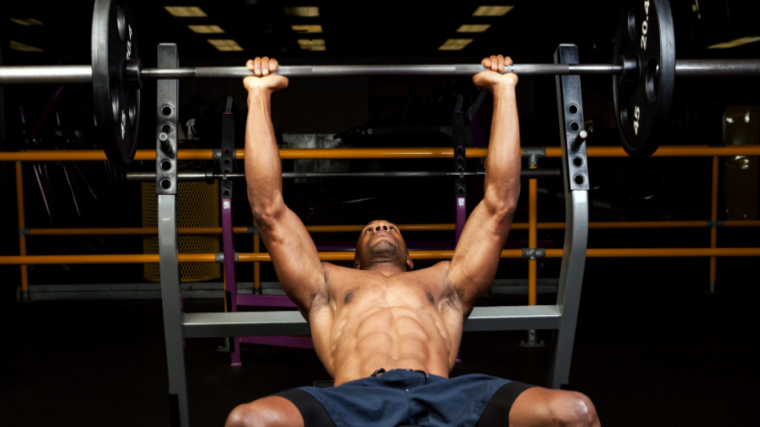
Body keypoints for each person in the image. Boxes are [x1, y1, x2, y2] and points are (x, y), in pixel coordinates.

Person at [227, 55, 600, 427]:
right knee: (247, 421)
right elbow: (269, 211)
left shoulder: (444, 281)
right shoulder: (326, 283)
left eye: (389, 227)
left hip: (445, 395)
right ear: (355, 260)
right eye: (370, 229)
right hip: (354, 399)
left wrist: (504, 90)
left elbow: (499, 206)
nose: (380, 228)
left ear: (410, 258)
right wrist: (258, 95)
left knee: (575, 412)